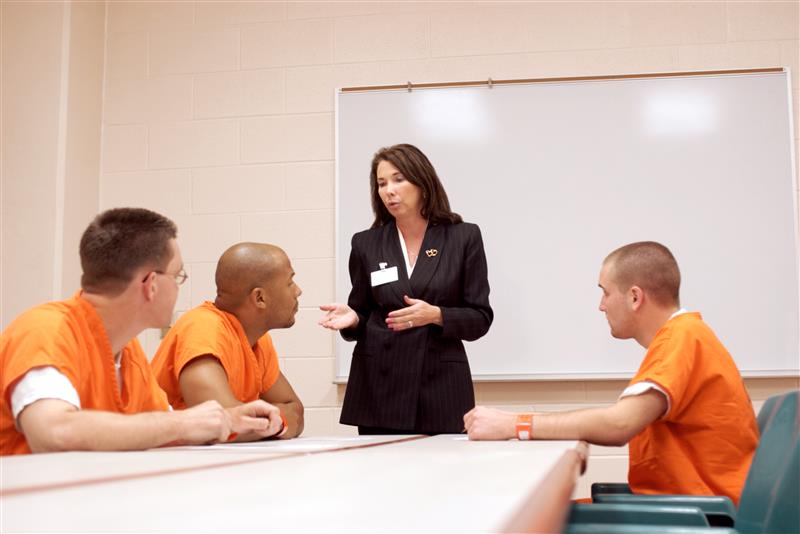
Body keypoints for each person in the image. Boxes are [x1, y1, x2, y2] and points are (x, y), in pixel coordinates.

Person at [464, 241, 758, 504]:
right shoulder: (685, 335)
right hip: (686, 505)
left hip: (700, 516)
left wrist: (515, 424)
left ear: (634, 297)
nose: (601, 306)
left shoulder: (681, 338)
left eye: (605, 293)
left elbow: (619, 425)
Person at [0, 208, 282, 455]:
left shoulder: (128, 352)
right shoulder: (45, 331)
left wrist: (229, 420)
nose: (178, 288)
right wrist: (184, 422)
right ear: (151, 284)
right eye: (178, 276)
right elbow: (54, 433)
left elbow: (158, 427)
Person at [319, 143, 493, 434]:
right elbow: (362, 311)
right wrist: (354, 319)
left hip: (439, 386)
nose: (389, 190)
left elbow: (480, 318)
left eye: (398, 179)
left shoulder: (462, 237)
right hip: (379, 382)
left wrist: (436, 314)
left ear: (423, 182)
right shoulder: (366, 243)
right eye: (381, 183)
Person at [151, 242, 304, 439]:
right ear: (259, 298)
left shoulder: (258, 339)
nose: (298, 291)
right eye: (290, 282)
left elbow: (296, 411)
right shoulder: (203, 328)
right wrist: (277, 422)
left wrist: (272, 422)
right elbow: (222, 425)